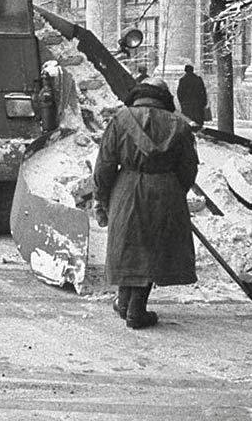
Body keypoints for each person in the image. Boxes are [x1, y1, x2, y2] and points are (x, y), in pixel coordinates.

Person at [92, 77, 199, 329]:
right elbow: (189, 168)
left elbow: (105, 165)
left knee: (129, 245)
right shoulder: (179, 126)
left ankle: (129, 307)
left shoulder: (121, 119)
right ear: (164, 99)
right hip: (166, 190)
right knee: (153, 248)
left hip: (127, 189)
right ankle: (132, 306)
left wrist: (102, 196)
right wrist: (174, 191)